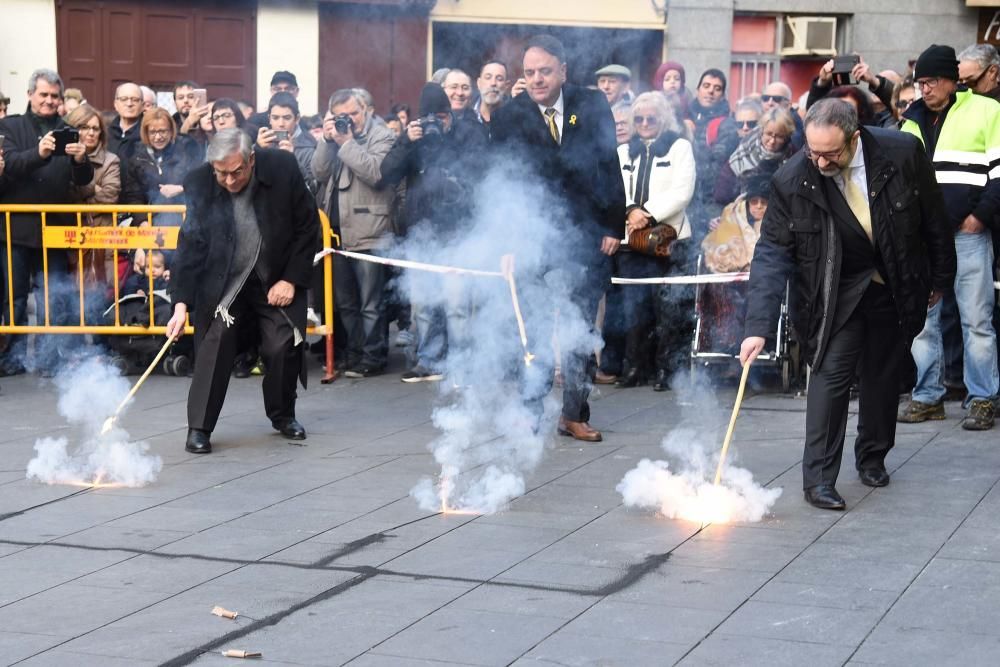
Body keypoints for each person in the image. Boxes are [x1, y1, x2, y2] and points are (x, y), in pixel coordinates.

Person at [741, 99, 955, 510]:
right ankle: (818, 479)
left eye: (830, 154)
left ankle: (873, 456)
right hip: (834, 292)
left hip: (892, 283)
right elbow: (771, 254)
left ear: (854, 138)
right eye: (812, 151)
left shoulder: (901, 153)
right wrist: (758, 326)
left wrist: (939, 278)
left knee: (882, 375)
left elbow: (933, 219)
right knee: (830, 376)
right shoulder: (792, 179)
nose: (819, 162)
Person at [490, 34, 625, 442]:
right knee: (531, 329)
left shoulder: (591, 104)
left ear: (562, 71)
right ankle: (530, 411)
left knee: (579, 329)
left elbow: (609, 164)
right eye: (529, 72)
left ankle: (573, 414)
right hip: (533, 236)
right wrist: (508, 243)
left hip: (585, 235)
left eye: (544, 71)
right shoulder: (510, 116)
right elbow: (504, 183)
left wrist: (612, 226)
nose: (536, 79)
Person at [166, 129, 318, 453]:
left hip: (273, 280)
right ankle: (199, 427)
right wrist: (180, 304)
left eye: (237, 172)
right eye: (222, 173)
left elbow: (308, 228)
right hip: (225, 287)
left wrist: (291, 279)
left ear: (251, 159)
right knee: (216, 340)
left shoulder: (282, 168)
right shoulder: (200, 182)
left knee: (281, 344)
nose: (230, 181)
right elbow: (190, 246)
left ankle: (282, 415)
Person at [897, 44, 1000, 431]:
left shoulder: (988, 111)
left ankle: (982, 399)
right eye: (920, 82)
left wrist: (979, 217)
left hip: (967, 233)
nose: (924, 89)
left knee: (976, 320)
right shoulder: (911, 121)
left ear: (952, 80)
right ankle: (927, 396)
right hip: (925, 238)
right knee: (924, 321)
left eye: (931, 81)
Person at [379, 83, 488, 382]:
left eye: (441, 116)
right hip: (421, 231)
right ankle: (429, 360)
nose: (436, 123)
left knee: (456, 305)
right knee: (425, 306)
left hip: (457, 232)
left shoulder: (467, 133)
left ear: (450, 113)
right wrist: (406, 141)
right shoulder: (414, 139)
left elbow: (479, 172)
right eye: (430, 118)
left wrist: (446, 140)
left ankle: (462, 363)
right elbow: (385, 174)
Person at [598, 92, 696, 391]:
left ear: (663, 119)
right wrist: (630, 211)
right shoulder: (624, 151)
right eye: (638, 119)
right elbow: (613, 187)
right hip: (631, 240)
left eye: (650, 118)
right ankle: (635, 366)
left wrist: (648, 214)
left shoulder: (679, 147)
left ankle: (667, 370)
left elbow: (683, 191)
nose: (644, 123)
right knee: (633, 309)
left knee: (669, 309)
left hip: (669, 239)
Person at [0, 68, 94, 376]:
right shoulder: (10, 126)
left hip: (54, 228)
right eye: (43, 95)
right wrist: (38, 153)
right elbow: (9, 165)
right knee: (13, 297)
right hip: (15, 229)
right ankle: (9, 358)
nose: (49, 101)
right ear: (30, 95)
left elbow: (82, 180)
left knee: (53, 297)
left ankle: (49, 359)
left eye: (54, 96)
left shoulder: (68, 128)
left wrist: (82, 160)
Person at [312, 88, 396, 377]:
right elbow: (319, 173)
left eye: (353, 114)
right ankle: (355, 352)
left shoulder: (382, 136)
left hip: (369, 229)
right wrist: (326, 140)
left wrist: (347, 142)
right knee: (345, 301)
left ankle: (374, 357)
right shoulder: (335, 135)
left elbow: (375, 172)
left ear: (367, 110)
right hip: (335, 234)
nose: (347, 121)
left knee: (370, 302)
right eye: (340, 117)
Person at [66, 103, 121, 289]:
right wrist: (94, 187)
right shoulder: (60, 160)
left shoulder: (110, 160)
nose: (90, 133)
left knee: (100, 297)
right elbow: (64, 194)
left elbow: (109, 197)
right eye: (83, 127)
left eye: (95, 128)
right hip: (68, 235)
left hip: (100, 239)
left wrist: (80, 189)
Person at [120, 108, 199, 226]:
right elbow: (134, 195)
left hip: (184, 220)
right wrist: (142, 221)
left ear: (171, 131)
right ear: (145, 133)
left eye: (163, 131)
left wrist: (181, 188)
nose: (158, 137)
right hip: (150, 221)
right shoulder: (137, 156)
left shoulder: (186, 150)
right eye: (152, 132)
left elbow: (200, 183)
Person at [689, 68, 738, 237]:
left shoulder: (727, 125)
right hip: (684, 201)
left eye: (717, 88)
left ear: (723, 95)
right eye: (706, 86)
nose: (710, 91)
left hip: (709, 204)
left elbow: (715, 170)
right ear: (698, 90)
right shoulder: (685, 117)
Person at [714, 106, 796, 205]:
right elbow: (722, 195)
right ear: (761, 131)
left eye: (779, 136)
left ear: (787, 137)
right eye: (769, 134)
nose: (772, 141)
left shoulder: (794, 158)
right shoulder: (743, 153)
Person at [257, 91, 317, 195]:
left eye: (287, 118)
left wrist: (293, 159)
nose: (281, 124)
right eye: (275, 118)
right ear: (269, 119)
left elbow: (312, 190)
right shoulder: (261, 144)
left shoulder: (309, 148)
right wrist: (257, 150)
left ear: (297, 119)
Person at [107, 82, 144, 165]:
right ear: (115, 104)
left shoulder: (148, 133)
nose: (129, 104)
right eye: (124, 99)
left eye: (135, 99)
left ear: (142, 105)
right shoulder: (106, 133)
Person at [475, 60, 508, 127]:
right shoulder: (465, 116)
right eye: (488, 78)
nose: (493, 83)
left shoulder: (514, 118)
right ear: (479, 83)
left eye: (499, 79)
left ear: (506, 86)